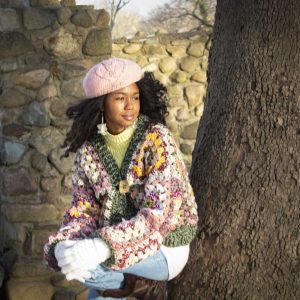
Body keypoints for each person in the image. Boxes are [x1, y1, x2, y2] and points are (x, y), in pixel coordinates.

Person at [44, 57, 198, 299]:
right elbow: (83, 211)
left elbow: (159, 216)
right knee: (73, 261)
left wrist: (100, 247)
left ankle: (121, 284)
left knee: (92, 268)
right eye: (119, 98)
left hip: (164, 247)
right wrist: (65, 244)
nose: (130, 106)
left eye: (135, 97)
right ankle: (129, 286)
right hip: (112, 249)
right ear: (101, 104)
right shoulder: (89, 152)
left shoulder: (156, 139)